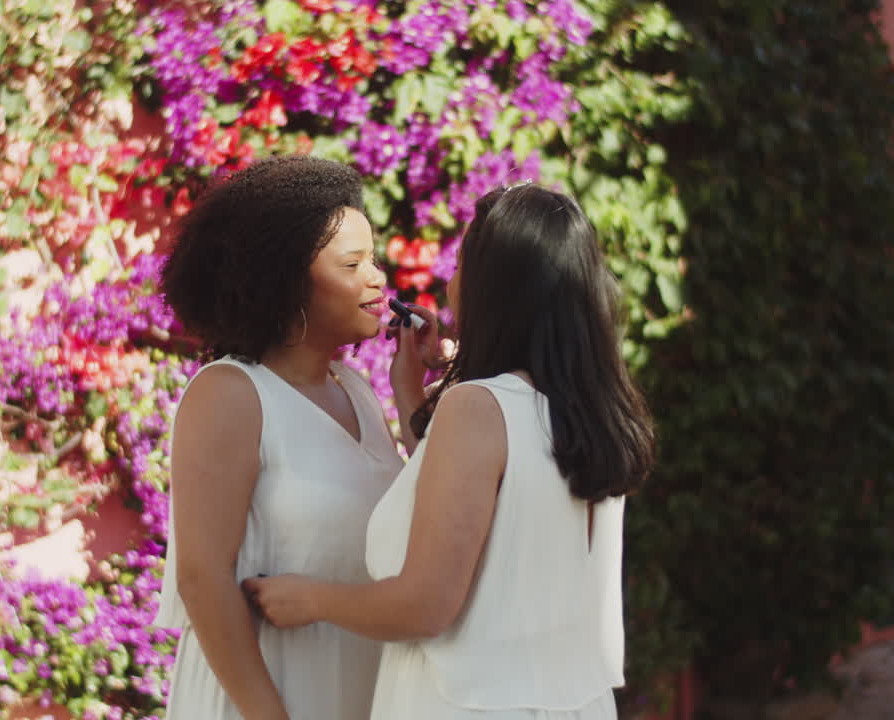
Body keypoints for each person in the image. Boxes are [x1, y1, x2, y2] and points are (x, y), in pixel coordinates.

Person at [244, 183, 656, 720]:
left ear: (496, 287)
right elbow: (478, 503)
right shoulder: (590, 413)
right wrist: (410, 393)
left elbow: (425, 606)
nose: (450, 282)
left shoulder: (479, 408)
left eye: (461, 266)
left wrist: (309, 599)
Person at [154, 156, 405, 720]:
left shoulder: (359, 391)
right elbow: (202, 578)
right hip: (266, 698)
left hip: (356, 689)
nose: (377, 277)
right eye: (352, 264)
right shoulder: (231, 393)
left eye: (375, 259)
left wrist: (414, 398)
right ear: (288, 279)